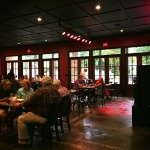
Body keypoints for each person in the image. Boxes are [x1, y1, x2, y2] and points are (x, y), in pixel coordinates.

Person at [14, 76, 61, 145]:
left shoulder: (41, 90)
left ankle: (25, 140)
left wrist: (20, 105)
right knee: (29, 114)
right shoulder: (56, 91)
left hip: (43, 117)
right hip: (52, 117)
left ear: (43, 83)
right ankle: (29, 131)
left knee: (20, 118)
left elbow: (30, 101)